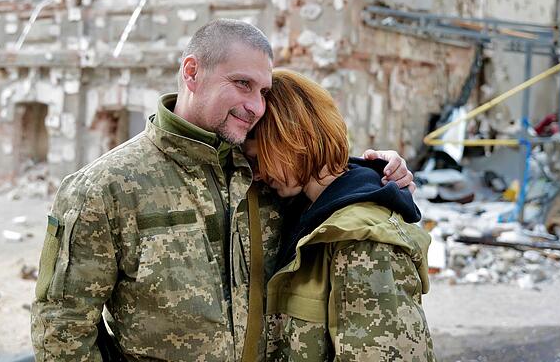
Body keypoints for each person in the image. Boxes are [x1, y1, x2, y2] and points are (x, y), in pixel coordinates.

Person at [30, 19, 415, 361]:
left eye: (263, 91)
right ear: (192, 72)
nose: (256, 106)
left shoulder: (263, 168)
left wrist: (381, 172)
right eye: (242, 84)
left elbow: (329, 176)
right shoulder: (105, 187)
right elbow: (62, 328)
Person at [249, 68, 434, 361]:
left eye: (260, 158)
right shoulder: (304, 215)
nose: (257, 174)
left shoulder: (362, 239)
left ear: (293, 139)